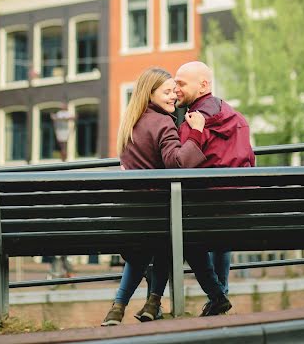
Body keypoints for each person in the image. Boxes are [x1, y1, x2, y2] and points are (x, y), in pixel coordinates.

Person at [101, 67, 230, 326]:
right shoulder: (163, 123)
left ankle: (121, 307)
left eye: (175, 90)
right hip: (159, 213)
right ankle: (160, 300)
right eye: (167, 91)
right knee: (168, 240)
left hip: (134, 214)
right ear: (150, 94)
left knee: (146, 251)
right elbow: (178, 164)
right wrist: (196, 132)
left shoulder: (129, 123)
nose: (174, 96)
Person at [174, 60, 255, 315]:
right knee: (222, 236)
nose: (176, 89)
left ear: (203, 86)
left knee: (184, 237)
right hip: (237, 210)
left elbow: (181, 165)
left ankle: (217, 294)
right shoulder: (238, 118)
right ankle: (221, 295)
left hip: (203, 211)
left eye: (181, 84)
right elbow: (249, 161)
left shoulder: (192, 123)